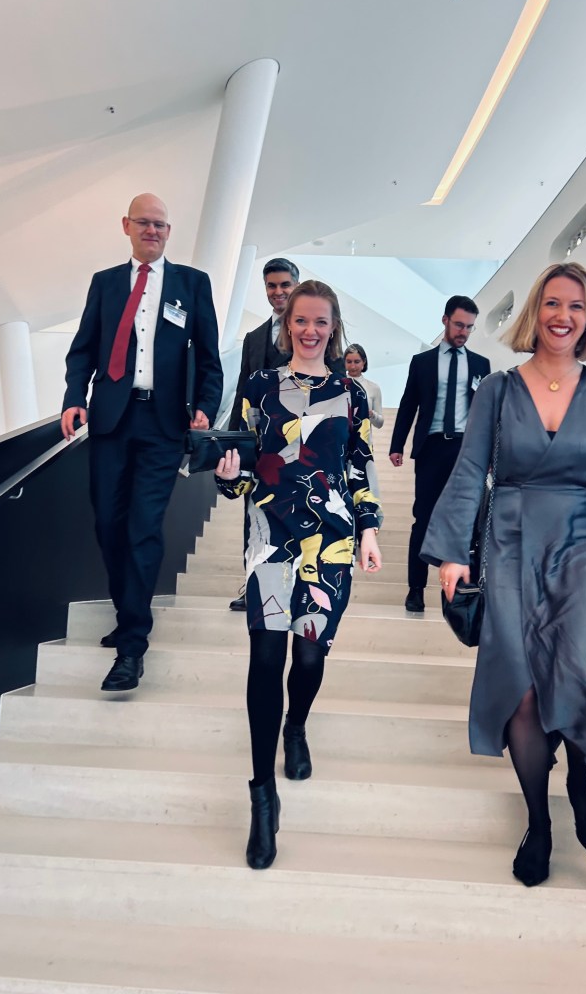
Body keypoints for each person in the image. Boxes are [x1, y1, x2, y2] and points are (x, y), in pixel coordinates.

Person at [422, 262, 586, 888]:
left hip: (585, 542)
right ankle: (539, 819)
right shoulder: (497, 391)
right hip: (510, 539)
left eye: (575, 306)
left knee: (577, 666)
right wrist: (452, 552)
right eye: (552, 303)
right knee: (521, 683)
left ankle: (579, 777)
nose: (563, 316)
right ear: (536, 311)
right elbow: (471, 471)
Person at [215, 279, 382, 870]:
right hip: (269, 535)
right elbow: (236, 470)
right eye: (302, 321)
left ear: (335, 328)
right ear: (288, 325)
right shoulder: (258, 387)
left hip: (330, 543)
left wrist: (370, 529)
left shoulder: (352, 393)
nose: (311, 331)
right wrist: (228, 473)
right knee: (266, 658)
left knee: (308, 658)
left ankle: (297, 724)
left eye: (322, 322)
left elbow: (359, 466)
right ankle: (263, 794)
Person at [62, 193, 223, 692]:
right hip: (111, 418)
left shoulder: (192, 285)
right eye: (144, 223)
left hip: (162, 423)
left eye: (161, 225)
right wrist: (73, 396)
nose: (153, 231)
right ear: (126, 225)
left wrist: (204, 407)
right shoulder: (106, 284)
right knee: (109, 523)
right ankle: (127, 608)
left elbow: (212, 360)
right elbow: (83, 348)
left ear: (169, 232)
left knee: (143, 527)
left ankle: (133, 646)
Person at [227, 258, 345, 611]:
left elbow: (334, 387)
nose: (277, 291)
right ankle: (255, 585)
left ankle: (301, 585)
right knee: (257, 516)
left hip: (306, 446)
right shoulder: (252, 338)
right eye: (271, 286)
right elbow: (241, 394)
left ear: (296, 286)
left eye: (284, 285)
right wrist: (236, 440)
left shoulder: (316, 333)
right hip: (263, 450)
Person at [389, 296, 491, 612]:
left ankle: (464, 590)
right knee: (424, 519)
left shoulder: (480, 365)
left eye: (470, 327)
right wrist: (396, 445)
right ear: (445, 320)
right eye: (459, 324)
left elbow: (488, 413)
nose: (464, 332)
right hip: (432, 447)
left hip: (467, 450)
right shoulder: (422, 363)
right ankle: (415, 589)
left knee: (469, 519)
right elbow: (408, 405)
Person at [344, 344, 384, 440]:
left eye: (357, 362)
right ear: (344, 363)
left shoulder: (373, 388)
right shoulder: (336, 385)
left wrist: (372, 414)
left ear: (364, 362)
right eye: (349, 362)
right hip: (339, 443)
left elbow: (380, 424)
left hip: (363, 443)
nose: (353, 366)